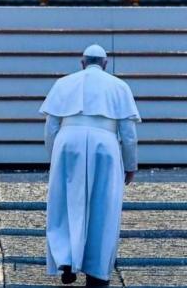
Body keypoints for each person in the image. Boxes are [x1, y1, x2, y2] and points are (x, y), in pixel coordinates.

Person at [40, 44, 140, 287]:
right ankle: (96, 270)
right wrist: (130, 164)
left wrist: (55, 157)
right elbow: (128, 134)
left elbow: (51, 127)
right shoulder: (119, 86)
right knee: (102, 206)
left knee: (65, 202)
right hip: (104, 143)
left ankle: (66, 259)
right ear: (105, 64)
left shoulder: (64, 83)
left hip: (67, 141)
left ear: (82, 62)